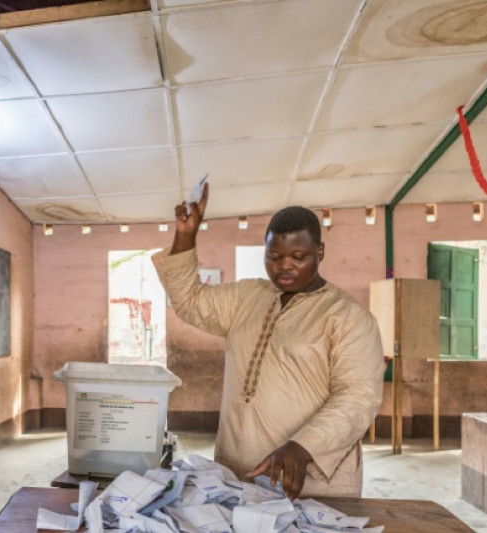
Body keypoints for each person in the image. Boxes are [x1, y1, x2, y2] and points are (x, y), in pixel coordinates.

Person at [152, 184, 384, 499]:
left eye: (298, 257)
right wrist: (185, 236)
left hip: (310, 483)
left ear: (320, 252)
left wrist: (303, 447)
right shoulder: (247, 297)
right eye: (274, 256)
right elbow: (190, 302)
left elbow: (359, 397)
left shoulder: (347, 316)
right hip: (238, 475)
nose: (284, 266)